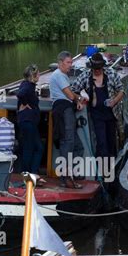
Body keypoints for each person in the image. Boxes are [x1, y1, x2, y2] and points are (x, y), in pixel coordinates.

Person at [71, 51, 124, 162]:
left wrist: (114, 101)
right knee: (101, 141)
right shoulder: (85, 75)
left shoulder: (111, 73)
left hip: (111, 113)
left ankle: (112, 163)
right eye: (95, 69)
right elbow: (73, 90)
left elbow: (121, 90)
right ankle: (103, 167)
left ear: (103, 67)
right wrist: (79, 99)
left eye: (99, 68)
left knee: (111, 141)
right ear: (92, 68)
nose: (97, 71)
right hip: (96, 115)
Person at [49, 51, 84, 188]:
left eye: (71, 62)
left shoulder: (62, 75)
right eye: (68, 62)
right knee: (67, 143)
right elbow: (69, 95)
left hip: (67, 110)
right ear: (60, 63)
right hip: (63, 110)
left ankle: (72, 173)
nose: (71, 65)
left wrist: (76, 100)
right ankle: (66, 178)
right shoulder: (59, 75)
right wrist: (79, 99)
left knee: (78, 146)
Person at [16, 64, 44, 176]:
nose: (39, 75)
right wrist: (25, 104)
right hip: (28, 122)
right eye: (38, 74)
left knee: (37, 148)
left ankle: (31, 173)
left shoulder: (26, 84)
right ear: (33, 75)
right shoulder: (28, 85)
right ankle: (27, 174)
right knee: (30, 148)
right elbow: (20, 94)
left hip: (28, 122)